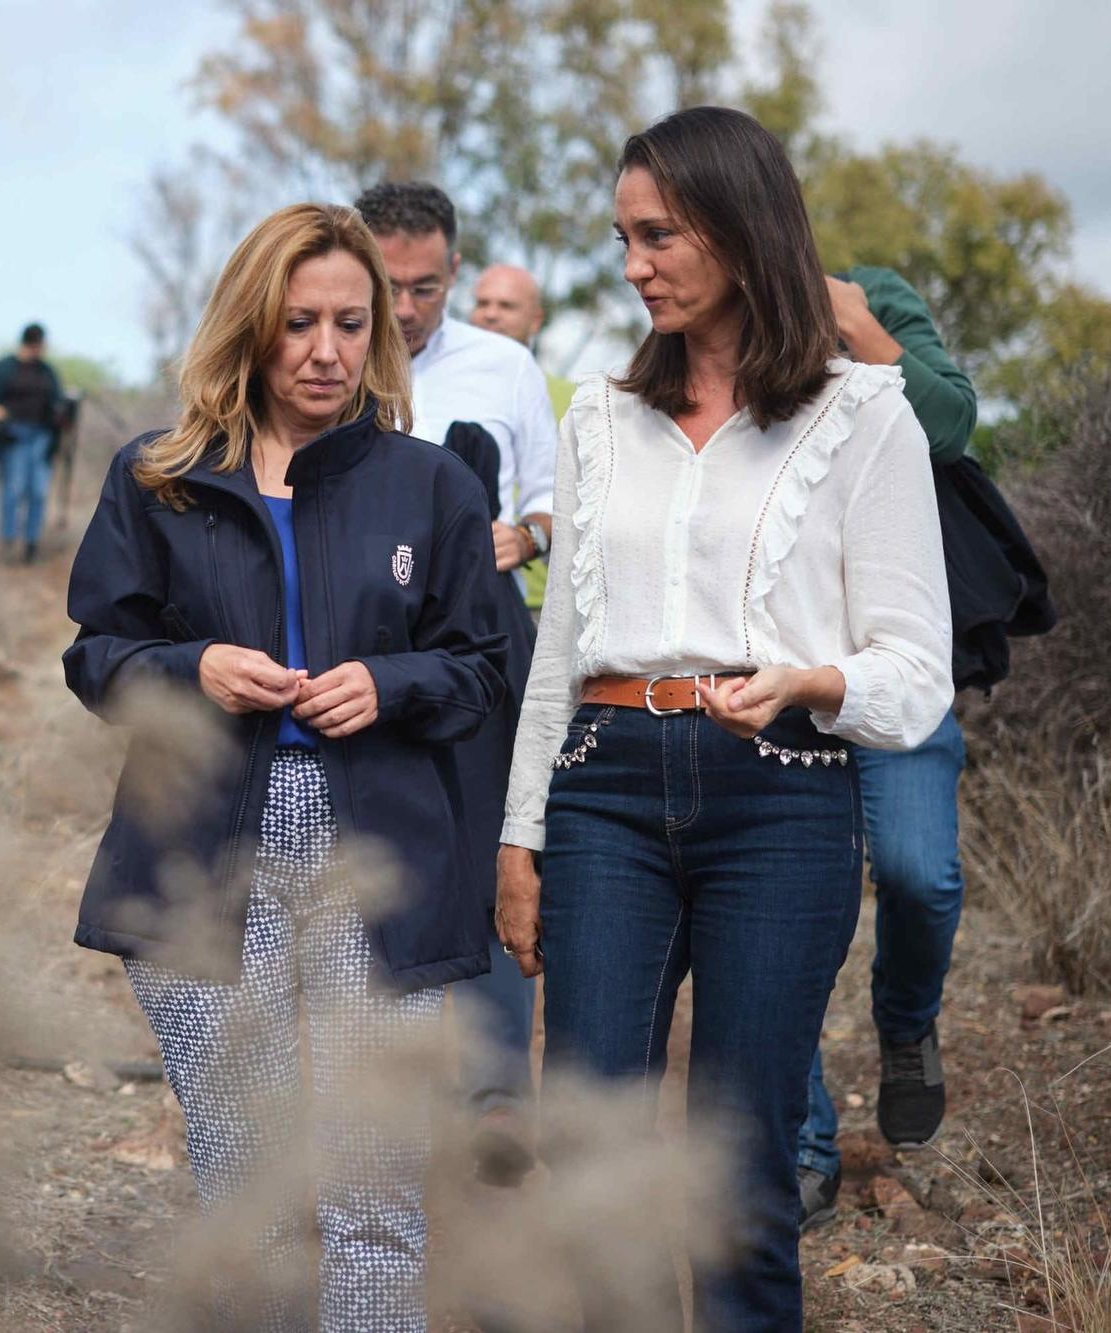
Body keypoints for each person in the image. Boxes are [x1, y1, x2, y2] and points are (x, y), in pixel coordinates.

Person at [496, 106, 952, 1329]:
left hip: (782, 797)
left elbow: (915, 669)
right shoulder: (598, 419)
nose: (632, 263)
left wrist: (808, 681)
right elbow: (558, 652)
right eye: (622, 238)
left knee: (742, 1170)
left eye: (658, 236)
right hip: (601, 785)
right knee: (589, 1149)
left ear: (742, 231)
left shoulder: (865, 417)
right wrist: (517, 835)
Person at [64, 202, 507, 1331]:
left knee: (371, 1197)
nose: (325, 350)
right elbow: (96, 658)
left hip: (382, 860)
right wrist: (191, 666)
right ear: (249, 326)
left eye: (351, 324)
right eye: (298, 321)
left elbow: (482, 668)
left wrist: (388, 682)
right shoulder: (159, 477)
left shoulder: (431, 484)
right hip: (206, 853)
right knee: (249, 1197)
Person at [354, 181, 555, 1182]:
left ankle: (492, 1107)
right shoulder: (320, 360)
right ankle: (372, 1101)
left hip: (483, 639)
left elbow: (560, 500)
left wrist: (527, 531)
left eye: (426, 287)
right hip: (356, 652)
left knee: (488, 853)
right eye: (386, 287)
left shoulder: (503, 368)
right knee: (367, 859)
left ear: (452, 274)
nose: (405, 310)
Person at [795, 266, 978, 1230]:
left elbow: (951, 425)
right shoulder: (702, 321)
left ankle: (906, 1026)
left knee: (918, 873)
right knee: (784, 917)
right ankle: (804, 1143)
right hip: (777, 676)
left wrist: (860, 325)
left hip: (890, 659)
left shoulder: (874, 295)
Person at [469, 262, 576, 615]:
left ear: (536, 320)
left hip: (544, 607)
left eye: (506, 306)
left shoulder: (574, 401)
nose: (491, 315)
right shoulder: (448, 396)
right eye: (482, 304)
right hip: (473, 599)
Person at [0, 323, 64, 563]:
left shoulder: (47, 372)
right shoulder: (5, 368)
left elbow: (57, 403)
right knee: (14, 488)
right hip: (14, 435)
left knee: (38, 490)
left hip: (42, 435)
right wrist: (3, 416)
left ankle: (31, 543)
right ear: (31, 343)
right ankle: (8, 540)